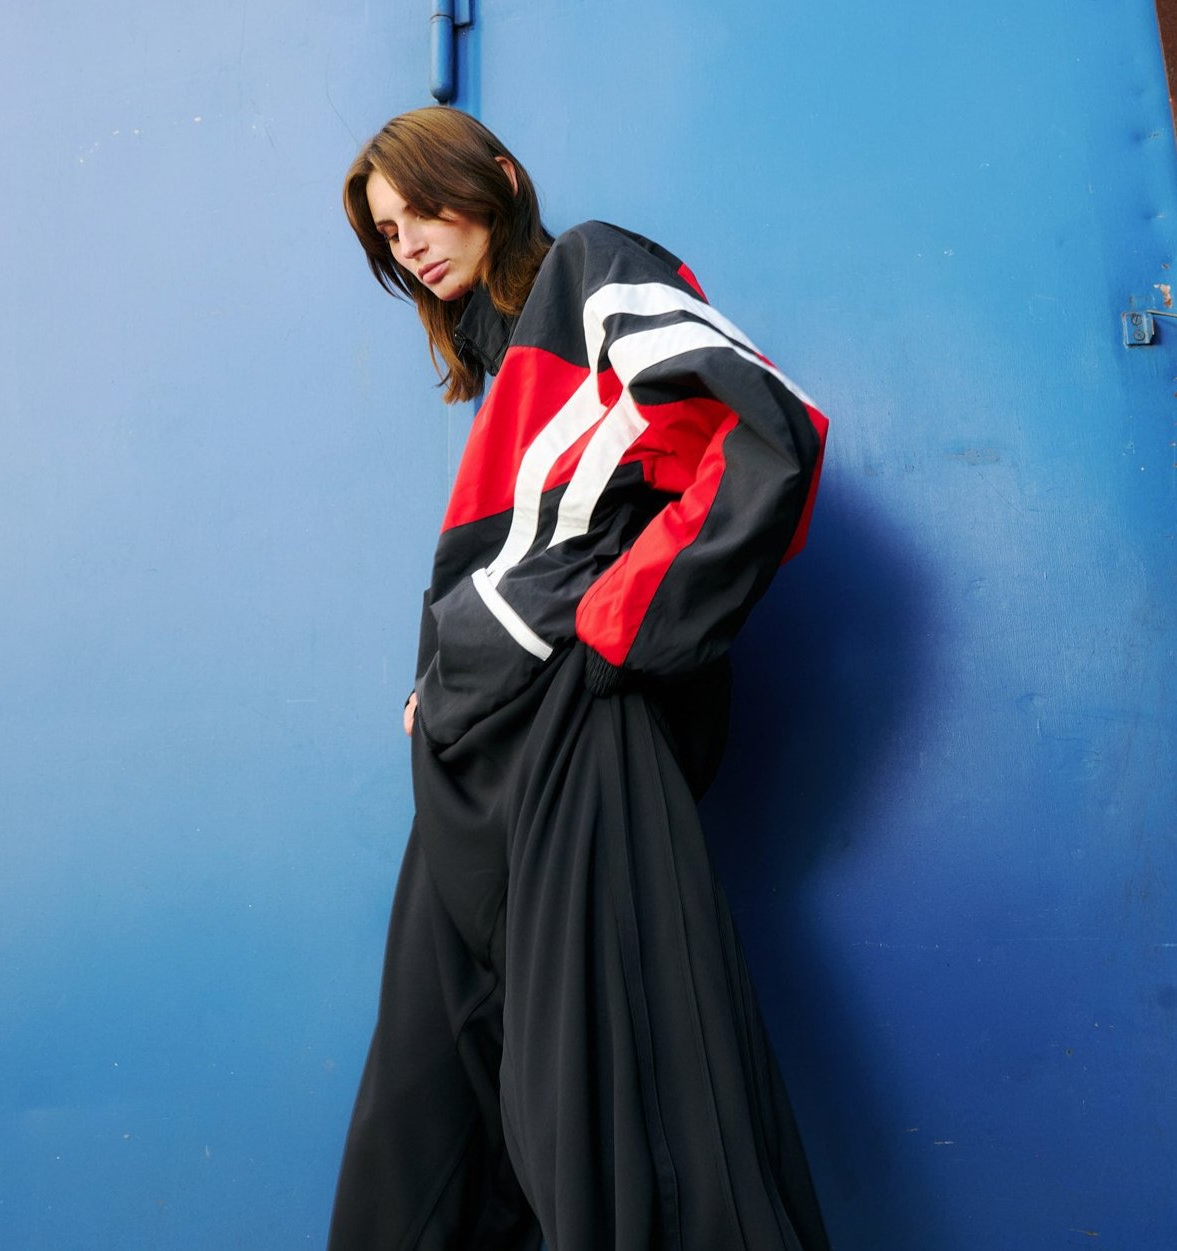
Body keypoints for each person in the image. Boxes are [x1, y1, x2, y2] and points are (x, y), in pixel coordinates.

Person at [328, 105, 832, 1251]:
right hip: (474, 749)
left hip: (570, 736)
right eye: (386, 234)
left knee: (618, 1099)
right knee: (431, 1102)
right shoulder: (503, 369)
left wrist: (612, 627)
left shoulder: (596, 268)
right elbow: (518, 552)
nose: (407, 246)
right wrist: (446, 676)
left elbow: (772, 431)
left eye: (422, 210)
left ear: (498, 178)